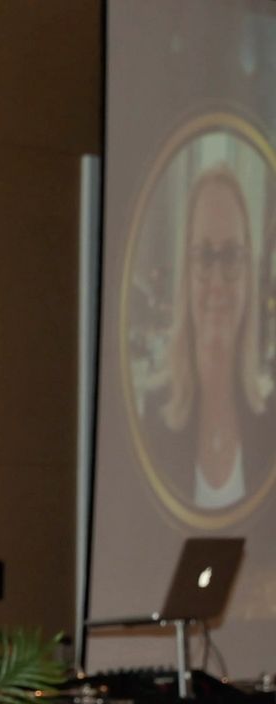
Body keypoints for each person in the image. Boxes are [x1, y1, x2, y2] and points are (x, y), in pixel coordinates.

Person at [161, 164, 269, 511]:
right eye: (205, 255)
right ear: (185, 274)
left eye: (232, 255)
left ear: (249, 274)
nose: (218, 281)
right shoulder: (150, 422)